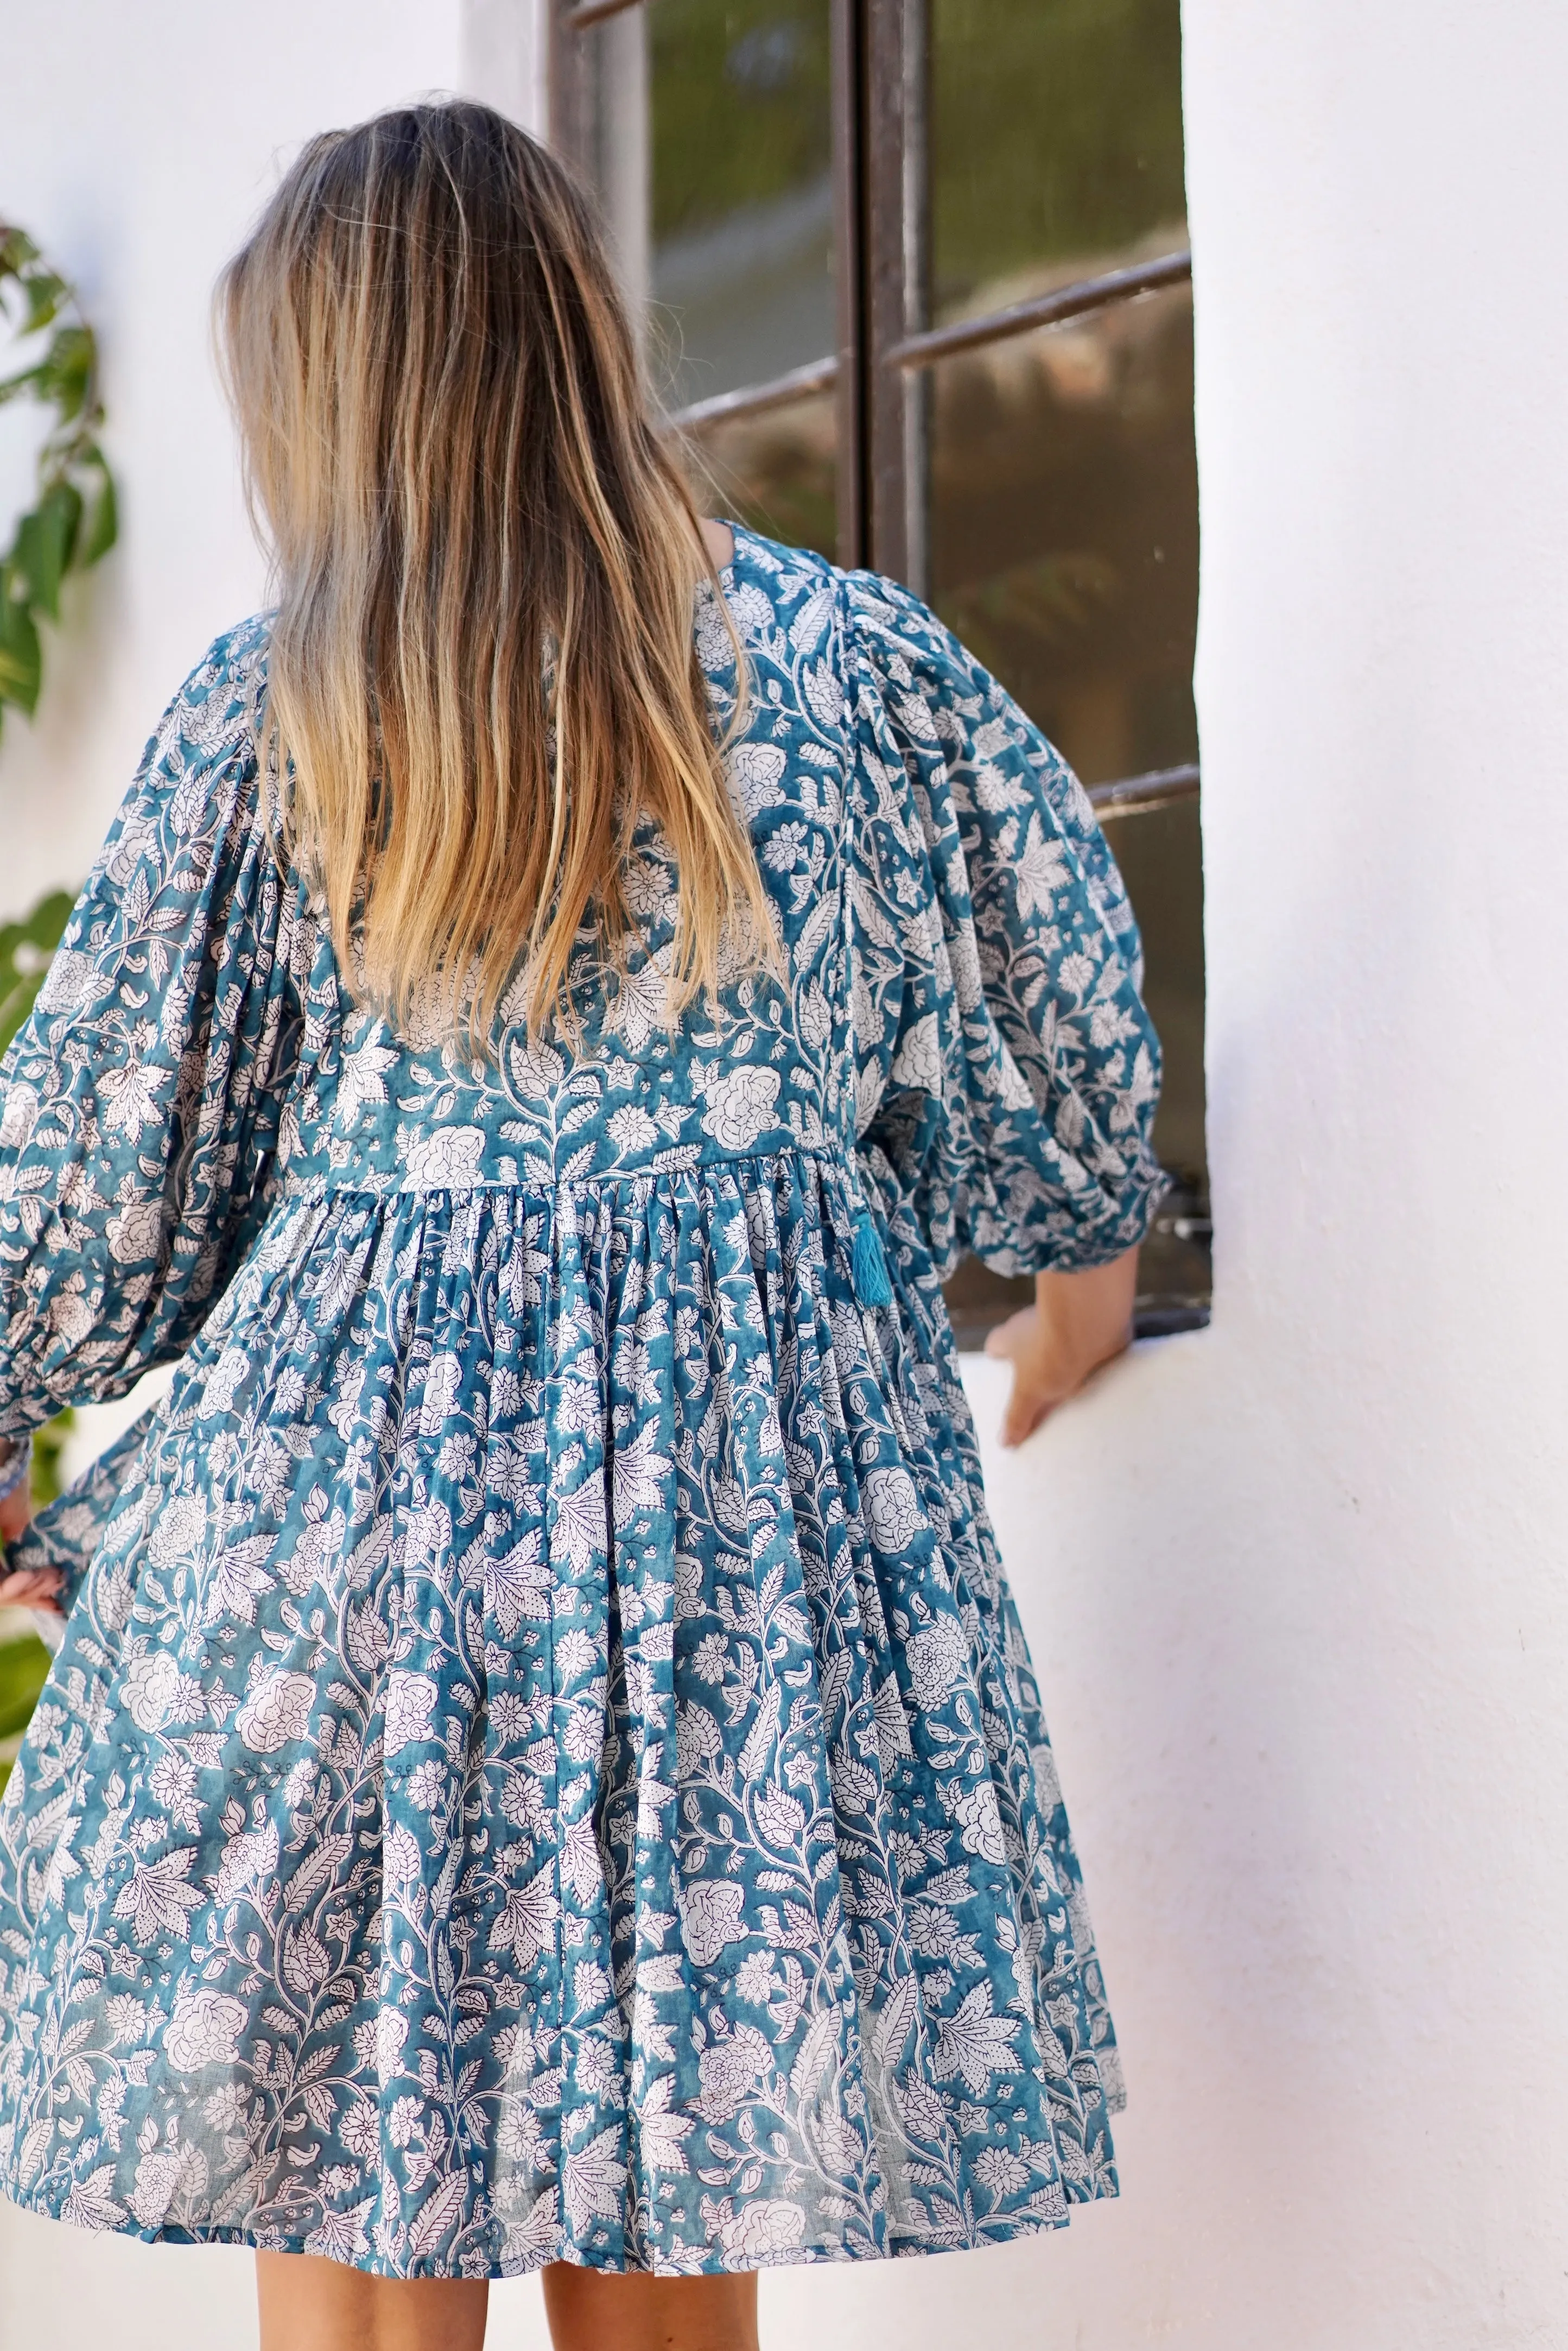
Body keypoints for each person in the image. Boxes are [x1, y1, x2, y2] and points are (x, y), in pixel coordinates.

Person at [0, 102, 1162, 2351]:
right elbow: (1047, 992)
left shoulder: (288, 712)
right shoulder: (851, 672)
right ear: (575, 332)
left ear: (329, 397)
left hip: (348, 1533)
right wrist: (1080, 1265)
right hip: (721, 1538)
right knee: (663, 2161)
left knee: (355, 2160)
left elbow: (108, 1150)